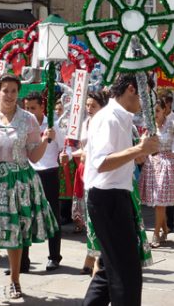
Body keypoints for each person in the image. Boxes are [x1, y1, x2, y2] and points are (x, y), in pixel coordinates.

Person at [0, 73, 58, 305]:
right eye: (5, 90)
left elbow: (33, 156)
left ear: (18, 93)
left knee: (16, 233)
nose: (9, 95)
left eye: (13, 91)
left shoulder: (28, 119)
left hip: (20, 181)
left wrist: (45, 140)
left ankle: (15, 280)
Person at [82, 73, 159, 306]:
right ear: (132, 90)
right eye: (146, 95)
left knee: (109, 268)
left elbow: (123, 159)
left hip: (118, 196)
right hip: (107, 198)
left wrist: (140, 153)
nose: (146, 103)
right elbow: (102, 162)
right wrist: (138, 150)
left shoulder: (123, 117)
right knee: (126, 274)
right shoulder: (108, 118)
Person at [138, 98, 174, 247]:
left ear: (165, 110)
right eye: (152, 111)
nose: (154, 114)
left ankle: (156, 234)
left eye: (157, 110)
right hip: (151, 164)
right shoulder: (149, 126)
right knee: (156, 201)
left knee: (160, 201)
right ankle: (164, 228)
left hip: (167, 163)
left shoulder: (173, 124)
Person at [20, 92, 64, 272]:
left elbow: (63, 146)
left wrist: (64, 154)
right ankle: (22, 261)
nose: (29, 111)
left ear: (41, 108)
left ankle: (54, 256)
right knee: (24, 215)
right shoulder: (22, 123)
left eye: (33, 108)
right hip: (27, 172)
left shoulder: (52, 125)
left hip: (48, 172)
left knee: (52, 215)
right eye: (27, 107)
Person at [71, 91, 107, 275]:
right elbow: (82, 148)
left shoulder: (104, 124)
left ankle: (95, 259)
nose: (89, 109)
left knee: (96, 220)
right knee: (87, 218)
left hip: (99, 175)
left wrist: (80, 154)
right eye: (88, 105)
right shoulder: (86, 123)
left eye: (93, 106)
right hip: (85, 172)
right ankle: (91, 256)